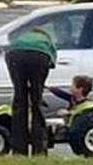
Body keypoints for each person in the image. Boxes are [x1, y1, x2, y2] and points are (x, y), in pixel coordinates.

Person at [5, 27, 57, 156]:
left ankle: (18, 150)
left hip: (14, 55)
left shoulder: (21, 38)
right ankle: (39, 149)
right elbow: (51, 63)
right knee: (36, 103)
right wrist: (37, 86)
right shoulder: (47, 42)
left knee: (19, 101)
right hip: (39, 56)